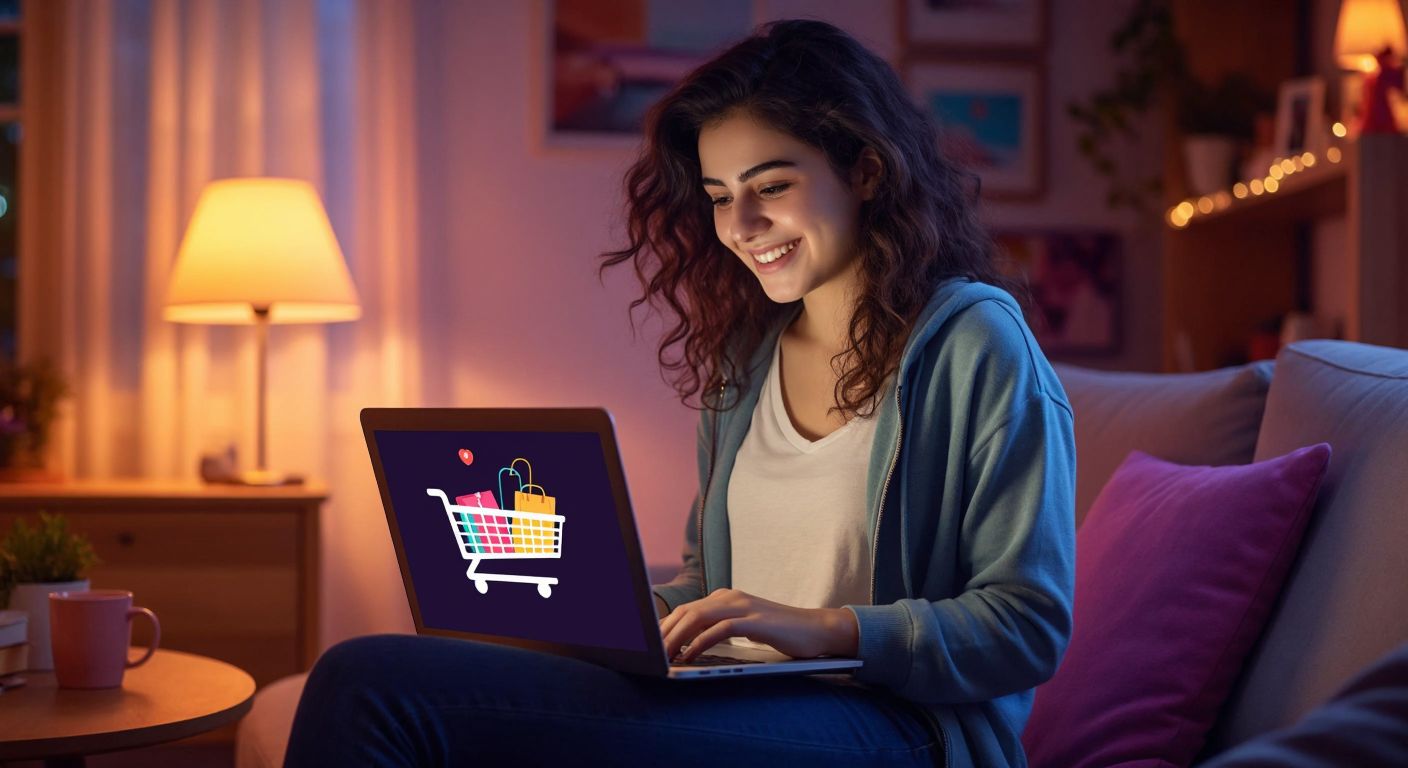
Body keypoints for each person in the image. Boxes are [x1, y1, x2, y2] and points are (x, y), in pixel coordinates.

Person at [284, 19, 1075, 767]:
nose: (743, 224)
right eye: (721, 194)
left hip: (900, 730)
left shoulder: (976, 344)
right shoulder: (747, 358)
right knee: (407, 675)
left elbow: (1027, 624)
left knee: (371, 685)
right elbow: (708, 583)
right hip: (742, 698)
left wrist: (824, 631)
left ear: (865, 169)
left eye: (772, 184)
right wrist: (601, 619)